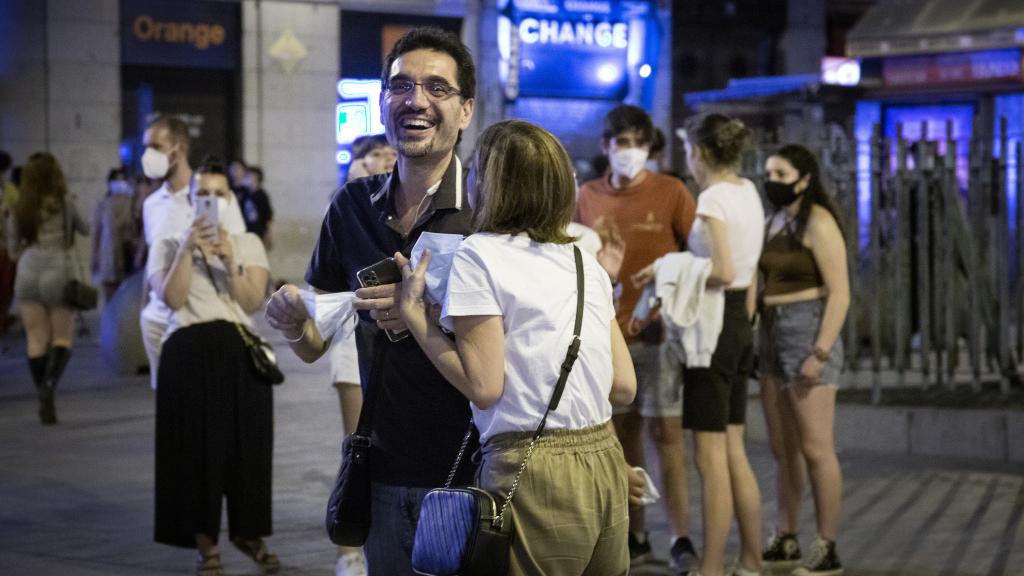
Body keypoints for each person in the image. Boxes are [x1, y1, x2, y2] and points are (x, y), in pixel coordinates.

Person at [264, 27, 477, 575]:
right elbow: (316, 344)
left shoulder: (488, 210)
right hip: (380, 469)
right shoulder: (353, 205)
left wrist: (423, 316)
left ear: (466, 110)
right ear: (383, 101)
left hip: (473, 470)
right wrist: (293, 321)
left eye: (436, 87)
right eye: (400, 85)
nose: (416, 100)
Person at [396, 118, 637, 575]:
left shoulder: (479, 255)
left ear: (488, 183)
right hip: (607, 461)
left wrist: (415, 320)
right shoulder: (583, 260)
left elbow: (484, 387)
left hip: (533, 470)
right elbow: (623, 386)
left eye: (472, 170)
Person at [574, 104, 699, 571]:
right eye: (622, 143)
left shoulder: (672, 191)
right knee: (621, 441)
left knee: (666, 432)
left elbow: (698, 255)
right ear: (606, 146)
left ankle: (681, 537)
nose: (631, 152)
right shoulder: (586, 196)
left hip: (658, 335)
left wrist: (673, 289)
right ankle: (635, 534)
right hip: (606, 336)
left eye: (639, 144)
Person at [148, 159, 277, 576]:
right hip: (186, 348)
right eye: (203, 195)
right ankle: (206, 549)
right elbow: (172, 298)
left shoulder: (247, 243)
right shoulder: (168, 241)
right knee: (192, 455)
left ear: (231, 198)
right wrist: (187, 247)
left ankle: (247, 531)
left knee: (248, 452)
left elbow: (252, 301)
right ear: (190, 199)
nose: (211, 202)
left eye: (220, 195)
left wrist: (228, 260)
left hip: (239, 350)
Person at [677, 114, 765, 576]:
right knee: (733, 448)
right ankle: (752, 559)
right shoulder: (750, 192)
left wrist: (670, 271)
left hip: (712, 328)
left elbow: (724, 270)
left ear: (700, 152)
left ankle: (710, 568)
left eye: (689, 151)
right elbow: (748, 275)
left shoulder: (712, 197)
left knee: (709, 457)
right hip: (739, 325)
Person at [758, 144, 848, 576]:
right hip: (771, 332)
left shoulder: (818, 221)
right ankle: (786, 534)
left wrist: (820, 352)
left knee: (816, 448)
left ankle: (826, 544)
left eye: (780, 173)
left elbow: (841, 293)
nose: (771, 181)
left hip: (806, 327)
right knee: (782, 448)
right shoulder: (773, 221)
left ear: (805, 179)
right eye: (768, 173)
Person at [139, 116, 246, 388]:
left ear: (180, 148)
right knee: (168, 408)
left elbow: (239, 251)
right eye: (146, 147)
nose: (148, 155)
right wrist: (145, 306)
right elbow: (155, 260)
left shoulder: (215, 196)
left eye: (156, 146)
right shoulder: (151, 204)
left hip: (203, 322)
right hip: (158, 321)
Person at [7, 152, 89, 425]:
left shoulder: (19, 208)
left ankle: (44, 396)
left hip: (28, 273)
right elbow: (86, 228)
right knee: (62, 338)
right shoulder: (66, 203)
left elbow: (13, 250)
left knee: (35, 339)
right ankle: (49, 386)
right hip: (59, 273)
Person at [91, 167, 140, 301]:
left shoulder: (133, 202)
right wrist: (94, 257)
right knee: (110, 298)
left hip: (129, 256)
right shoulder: (102, 204)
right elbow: (97, 232)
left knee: (129, 298)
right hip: (108, 255)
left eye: (122, 180)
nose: (119, 184)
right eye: (116, 180)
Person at [0, 150, 19, 333]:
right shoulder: (10, 189)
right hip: (5, 247)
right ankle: (2, 317)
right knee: (5, 285)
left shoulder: (9, 189)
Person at [237, 165, 275, 250]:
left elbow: (268, 217)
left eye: (248, 176)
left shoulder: (262, 195)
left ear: (256, 177)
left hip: (258, 233)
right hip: (245, 233)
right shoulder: (244, 194)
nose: (245, 178)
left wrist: (269, 235)